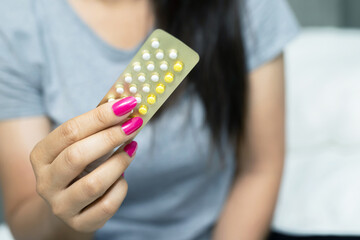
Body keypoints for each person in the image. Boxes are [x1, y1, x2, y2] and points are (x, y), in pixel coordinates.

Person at [0, 0, 298, 239]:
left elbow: (259, 169)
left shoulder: (245, 6)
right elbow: (25, 219)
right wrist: (67, 212)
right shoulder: (16, 19)